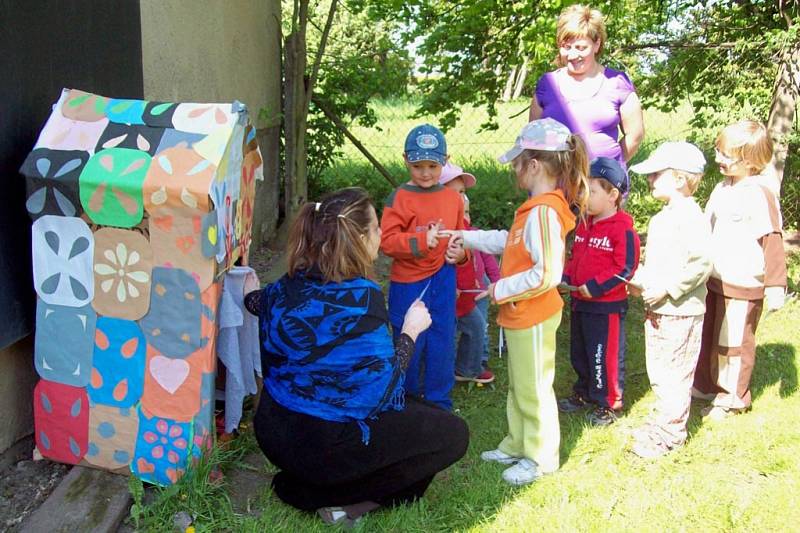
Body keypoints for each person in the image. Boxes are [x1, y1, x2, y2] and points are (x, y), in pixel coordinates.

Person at [250, 188, 469, 526]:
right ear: (361, 237)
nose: (382, 236)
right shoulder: (364, 299)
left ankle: (312, 485)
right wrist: (410, 331)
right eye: (378, 229)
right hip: (322, 445)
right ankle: (317, 496)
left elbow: (255, 302)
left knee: (421, 411)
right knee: (452, 434)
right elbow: (382, 394)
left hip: (272, 430)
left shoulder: (284, 284)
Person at [441, 118, 589, 486]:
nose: (513, 170)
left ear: (534, 165)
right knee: (520, 385)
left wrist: (500, 289)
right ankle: (517, 443)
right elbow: (509, 242)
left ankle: (541, 457)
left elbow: (546, 274)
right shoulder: (535, 208)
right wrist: (466, 237)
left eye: (517, 163)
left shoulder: (544, 211)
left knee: (535, 387)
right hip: (522, 314)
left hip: (534, 315)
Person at [692, 120, 787, 420]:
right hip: (714, 278)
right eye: (718, 151)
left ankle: (732, 396)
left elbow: (772, 238)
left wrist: (775, 285)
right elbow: (707, 227)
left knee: (732, 341)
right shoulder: (722, 187)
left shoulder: (760, 192)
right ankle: (706, 385)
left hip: (743, 282)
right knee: (708, 336)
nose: (718, 158)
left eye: (725, 154)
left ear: (749, 160)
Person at [625, 142, 713, 458]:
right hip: (659, 310)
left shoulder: (690, 216)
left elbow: (701, 263)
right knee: (660, 370)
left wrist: (668, 289)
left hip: (681, 311)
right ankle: (663, 421)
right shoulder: (664, 217)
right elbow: (663, 262)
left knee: (675, 373)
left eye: (655, 174)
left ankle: (671, 434)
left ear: (678, 178)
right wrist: (642, 282)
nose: (649, 180)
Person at [380, 124, 467, 410]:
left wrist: (460, 254)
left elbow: (460, 237)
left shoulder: (454, 198)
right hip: (408, 282)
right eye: (418, 165)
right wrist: (420, 240)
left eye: (433, 165)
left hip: (443, 277)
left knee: (442, 337)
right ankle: (404, 398)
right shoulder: (399, 197)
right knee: (409, 337)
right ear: (406, 160)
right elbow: (387, 242)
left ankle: (439, 401)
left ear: (445, 160)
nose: (426, 172)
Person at [559, 157, 640, 426]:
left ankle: (609, 402)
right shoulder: (584, 223)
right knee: (580, 351)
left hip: (606, 307)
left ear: (613, 195)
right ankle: (584, 392)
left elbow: (625, 267)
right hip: (580, 302)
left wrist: (595, 287)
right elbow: (575, 257)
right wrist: (567, 277)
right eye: (582, 190)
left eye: (591, 191)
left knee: (602, 354)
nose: (584, 197)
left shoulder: (623, 229)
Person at [529, 4, 644, 192]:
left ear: (597, 44)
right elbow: (533, 136)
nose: (573, 55)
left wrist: (611, 163)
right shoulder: (547, 84)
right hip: (555, 187)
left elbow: (635, 135)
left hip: (603, 187)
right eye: (567, 47)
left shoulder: (617, 82)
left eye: (581, 47)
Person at [438, 162, 495, 384]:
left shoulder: (467, 228)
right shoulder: (442, 229)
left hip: (472, 290)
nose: (464, 199)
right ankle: (454, 368)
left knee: (477, 325)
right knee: (451, 331)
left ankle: (469, 366)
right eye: (457, 193)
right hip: (452, 294)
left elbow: (485, 257)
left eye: (464, 193)